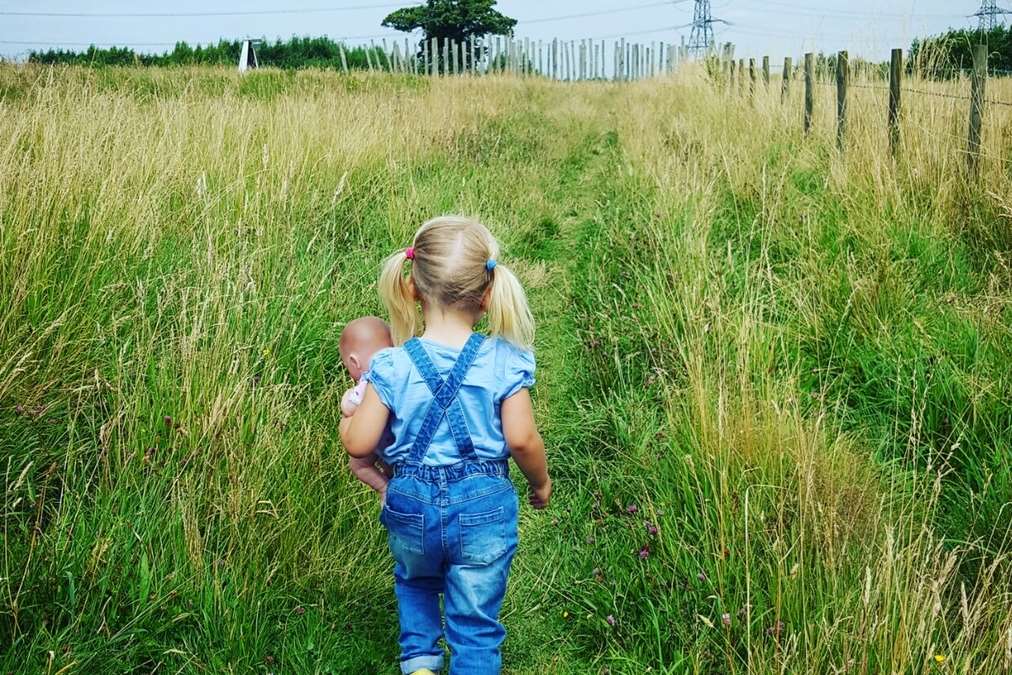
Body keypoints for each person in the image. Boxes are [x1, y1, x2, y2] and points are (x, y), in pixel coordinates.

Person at [340, 216, 551, 675]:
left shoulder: (391, 365)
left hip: (411, 504)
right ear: (488, 292)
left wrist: (348, 417)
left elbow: (359, 443)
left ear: (412, 288)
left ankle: (419, 662)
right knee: (474, 623)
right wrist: (541, 482)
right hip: (484, 508)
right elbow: (521, 438)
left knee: (415, 583)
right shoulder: (504, 359)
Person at [339, 316, 394, 497]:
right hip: (398, 441)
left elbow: (349, 408)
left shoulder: (368, 381)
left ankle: (385, 489)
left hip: (376, 439)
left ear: (354, 362)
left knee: (358, 465)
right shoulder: (399, 371)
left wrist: (346, 397)